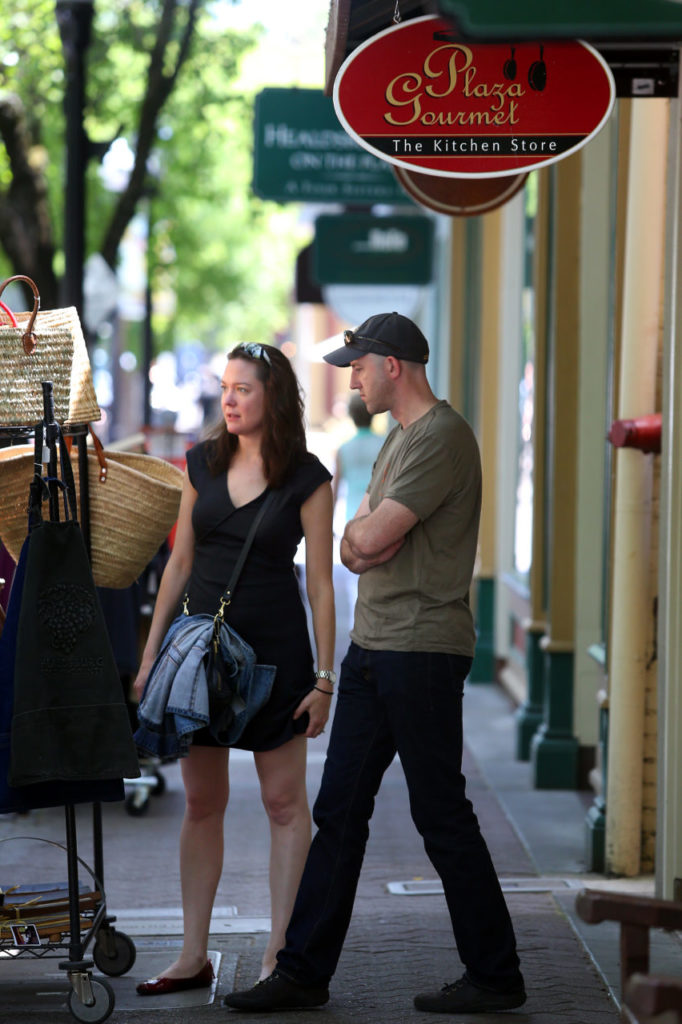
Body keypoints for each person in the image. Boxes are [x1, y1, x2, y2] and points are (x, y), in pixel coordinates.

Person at [224, 313, 526, 1015]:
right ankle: (302, 972)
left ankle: (496, 972)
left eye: (359, 365)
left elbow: (374, 535)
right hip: (373, 647)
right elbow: (352, 547)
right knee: (339, 812)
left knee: (440, 813)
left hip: (421, 648)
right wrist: (367, 539)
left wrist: (368, 538)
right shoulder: (395, 438)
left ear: (394, 364)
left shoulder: (442, 439)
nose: (352, 377)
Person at [133, 341, 335, 996]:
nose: (229, 399)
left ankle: (282, 955)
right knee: (200, 802)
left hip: (277, 661)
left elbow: (323, 588)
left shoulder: (307, 478)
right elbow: (180, 564)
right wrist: (148, 657)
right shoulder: (203, 463)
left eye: (243, 388)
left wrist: (325, 679)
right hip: (201, 663)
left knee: (283, 804)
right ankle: (193, 954)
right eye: (226, 387)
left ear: (272, 396)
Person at [332, 392, 384, 522]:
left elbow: (335, 490)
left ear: (351, 415)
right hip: (379, 515)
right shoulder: (384, 444)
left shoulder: (343, 449)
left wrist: (329, 522)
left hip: (352, 517)